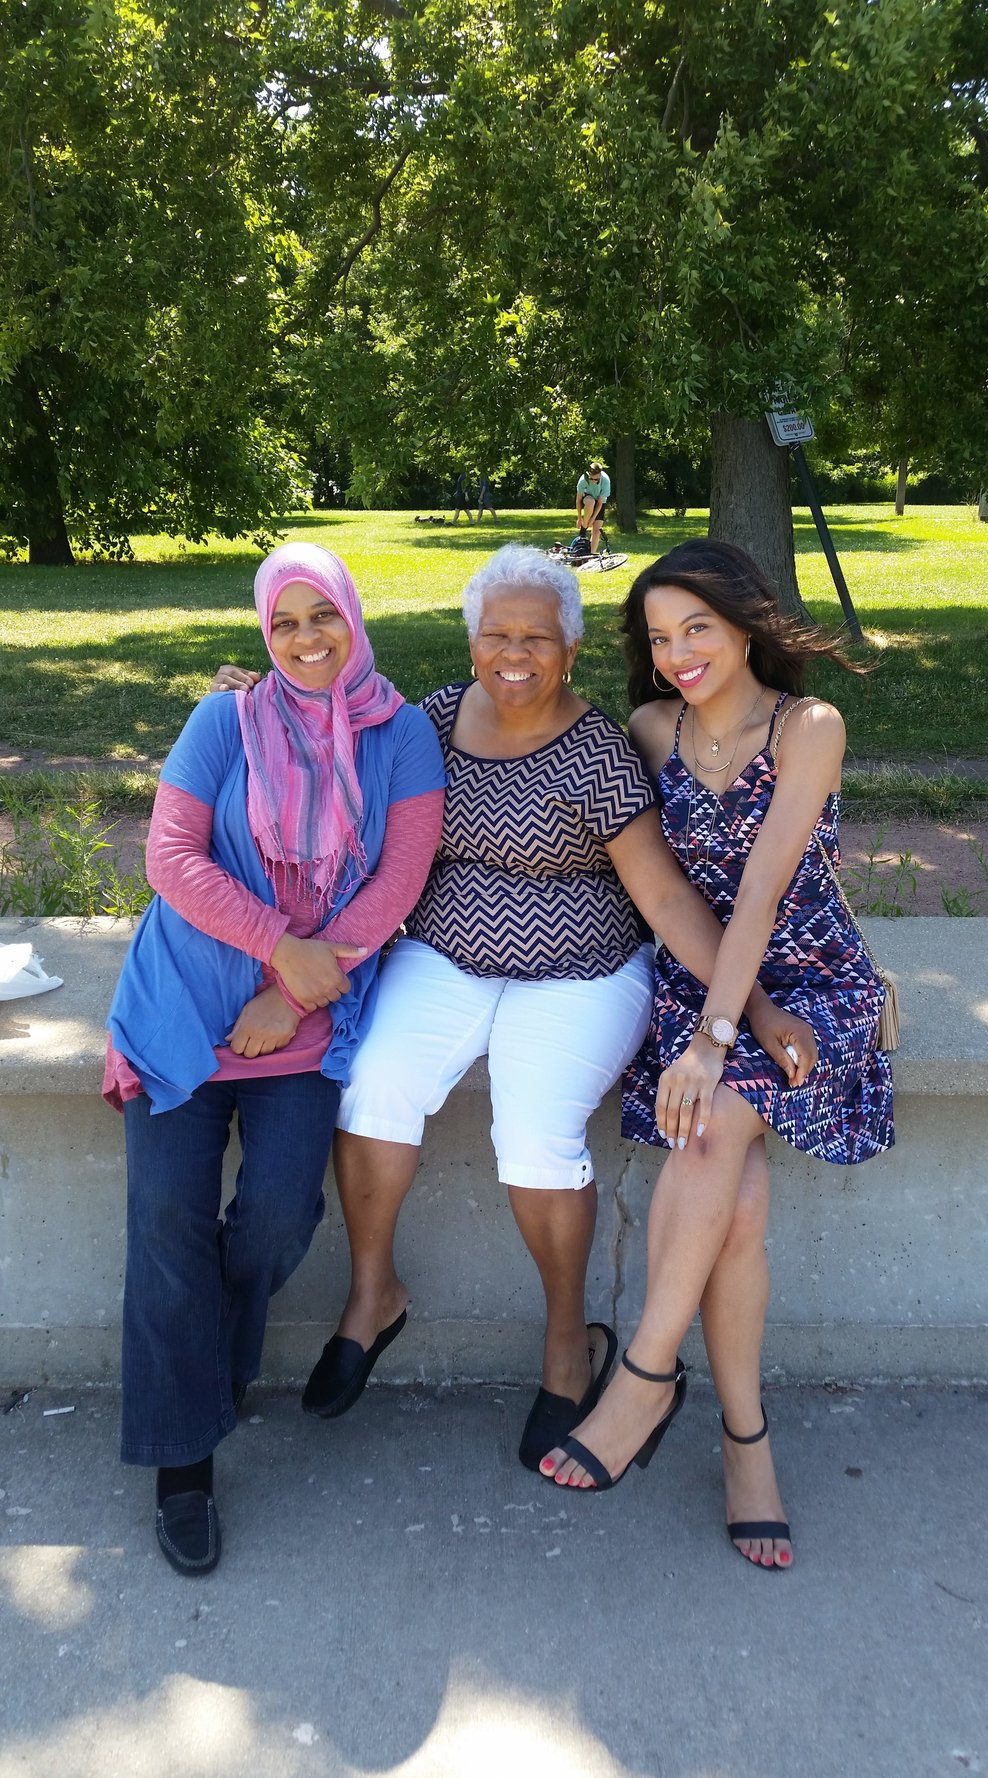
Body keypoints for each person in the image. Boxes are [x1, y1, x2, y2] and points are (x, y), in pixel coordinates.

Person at [225, 544, 812, 1476]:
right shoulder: (430, 724)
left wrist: (763, 1009)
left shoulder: (597, 751)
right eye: (495, 634)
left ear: (569, 649)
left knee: (535, 1126)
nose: (514, 652)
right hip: (445, 957)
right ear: (469, 644)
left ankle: (565, 1344)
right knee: (374, 1081)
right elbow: (328, 732)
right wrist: (251, 695)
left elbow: (663, 901)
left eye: (536, 637)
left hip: (582, 971)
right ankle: (374, 1295)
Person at [540, 538, 894, 1574]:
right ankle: (748, 1445)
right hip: (709, 982)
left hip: (809, 984)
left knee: (711, 1117)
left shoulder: (808, 726)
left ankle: (645, 1375)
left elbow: (763, 893)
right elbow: (523, 711)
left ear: (744, 622)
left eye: (696, 625)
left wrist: (719, 1036)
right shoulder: (651, 729)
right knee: (731, 1195)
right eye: (658, 636)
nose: (678, 651)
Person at [104, 542, 446, 1576]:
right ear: (265, 630)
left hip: (302, 1020)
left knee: (278, 1216)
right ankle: (184, 1460)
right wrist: (276, 949)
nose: (306, 639)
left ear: (352, 616)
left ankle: (199, 1369)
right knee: (167, 1219)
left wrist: (294, 985)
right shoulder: (224, 719)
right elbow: (169, 858)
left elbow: (393, 886)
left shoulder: (404, 737)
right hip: (184, 1009)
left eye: (322, 616)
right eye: (285, 621)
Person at [575, 460, 611, 555]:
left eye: (596, 480)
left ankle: (591, 554)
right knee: (590, 502)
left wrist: (593, 519)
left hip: (599, 501)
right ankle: (583, 529)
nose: (593, 481)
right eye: (591, 479)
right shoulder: (583, 480)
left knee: (597, 530)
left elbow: (600, 503)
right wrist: (579, 518)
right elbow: (578, 500)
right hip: (588, 498)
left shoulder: (605, 480)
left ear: (600, 475)